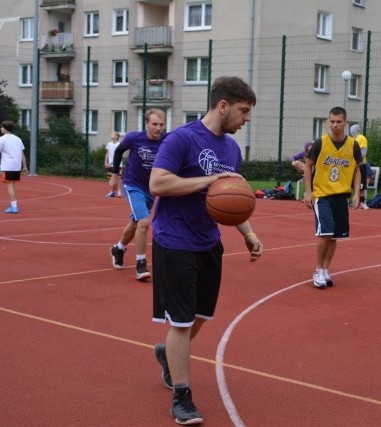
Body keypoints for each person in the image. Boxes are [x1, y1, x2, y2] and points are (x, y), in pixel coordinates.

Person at [149, 76, 263, 425]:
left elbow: (229, 201)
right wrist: (207, 180)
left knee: (201, 316)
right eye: (243, 111)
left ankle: (167, 351)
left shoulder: (232, 149)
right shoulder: (181, 138)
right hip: (174, 239)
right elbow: (158, 182)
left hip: (208, 242)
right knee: (182, 322)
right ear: (223, 105)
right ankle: (181, 396)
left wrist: (248, 232)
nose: (246, 119)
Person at [303, 106, 362, 289]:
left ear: (345, 123)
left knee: (335, 236)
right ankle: (318, 269)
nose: (335, 125)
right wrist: (308, 192)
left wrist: (356, 193)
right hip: (322, 195)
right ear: (329, 122)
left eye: (339, 122)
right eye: (332, 121)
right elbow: (307, 166)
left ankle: (326, 269)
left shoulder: (353, 145)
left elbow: (357, 169)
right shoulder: (320, 142)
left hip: (341, 196)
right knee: (325, 232)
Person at [109, 108, 166, 281]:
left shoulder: (167, 139)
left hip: (151, 189)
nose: (158, 128)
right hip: (132, 185)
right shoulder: (135, 138)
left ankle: (118, 248)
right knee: (144, 221)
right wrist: (114, 175)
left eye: (161, 125)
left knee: (136, 222)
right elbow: (119, 152)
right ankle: (140, 264)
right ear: (147, 124)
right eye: (154, 124)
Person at [350, 124, 370, 209]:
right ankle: (355, 201)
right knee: (353, 183)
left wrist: (355, 159)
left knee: (361, 184)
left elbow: (363, 152)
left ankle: (362, 202)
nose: (351, 131)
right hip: (352, 165)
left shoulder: (361, 138)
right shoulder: (352, 139)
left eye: (352, 130)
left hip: (360, 164)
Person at [104, 131, 123, 198]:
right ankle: (112, 192)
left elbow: (118, 155)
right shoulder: (109, 144)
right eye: (111, 134)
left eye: (113, 134)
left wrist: (111, 162)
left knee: (118, 178)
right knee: (111, 178)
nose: (111, 135)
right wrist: (105, 162)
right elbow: (107, 153)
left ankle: (119, 192)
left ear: (116, 136)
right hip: (110, 165)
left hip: (118, 164)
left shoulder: (119, 144)